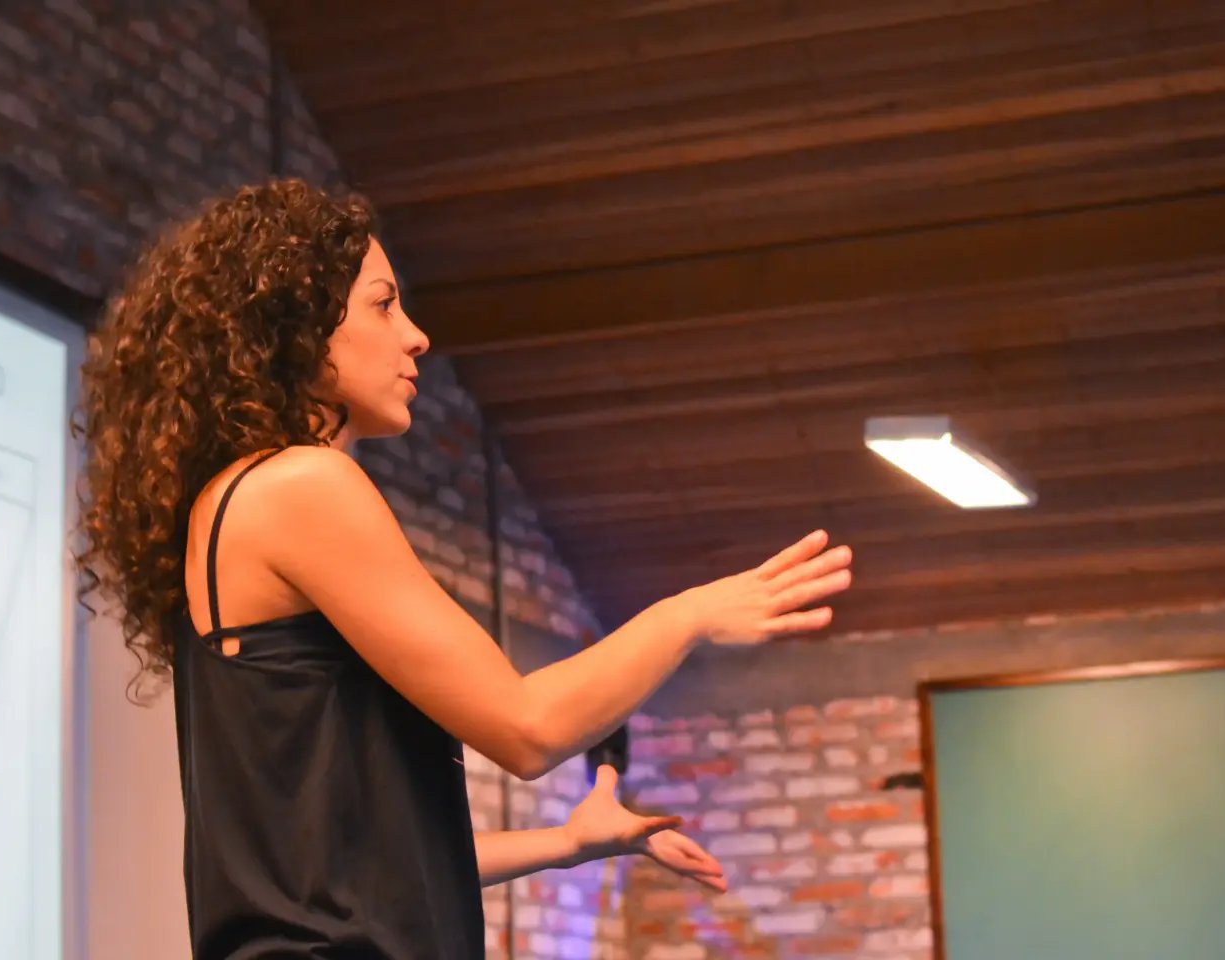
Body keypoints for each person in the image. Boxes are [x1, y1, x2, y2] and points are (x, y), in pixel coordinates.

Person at [74, 180, 854, 959]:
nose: (415, 337)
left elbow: (359, 870)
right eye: (383, 306)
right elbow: (527, 727)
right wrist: (691, 613)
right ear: (298, 327)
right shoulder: (300, 486)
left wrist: (568, 842)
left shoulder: (239, 502)